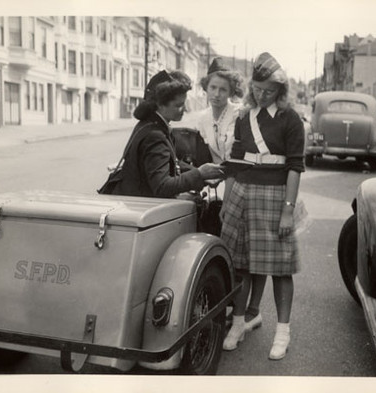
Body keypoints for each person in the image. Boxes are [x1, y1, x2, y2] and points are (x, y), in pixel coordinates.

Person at [220, 52, 305, 360]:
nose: (261, 94)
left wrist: (287, 210)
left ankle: (283, 330)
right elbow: (234, 163)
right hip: (242, 193)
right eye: (257, 88)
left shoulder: (291, 119)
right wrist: (227, 201)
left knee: (281, 269)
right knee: (240, 265)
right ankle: (239, 323)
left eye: (268, 90)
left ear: (280, 91)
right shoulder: (244, 117)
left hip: (274, 195)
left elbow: (295, 167)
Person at [197, 58, 265, 330]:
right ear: (206, 88)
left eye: (222, 90)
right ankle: (235, 307)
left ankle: (253, 310)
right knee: (231, 250)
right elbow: (210, 155)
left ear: (231, 92)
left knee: (253, 252)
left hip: (248, 182)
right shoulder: (202, 118)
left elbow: (246, 157)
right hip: (224, 184)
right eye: (212, 88)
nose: (216, 94)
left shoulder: (239, 114)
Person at [110, 70, 224, 198]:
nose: (185, 109)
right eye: (179, 105)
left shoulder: (150, 124)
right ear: (160, 104)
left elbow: (170, 161)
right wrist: (199, 174)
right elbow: (162, 186)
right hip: (146, 208)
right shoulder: (155, 136)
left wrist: (199, 172)